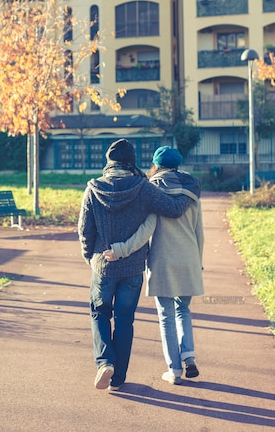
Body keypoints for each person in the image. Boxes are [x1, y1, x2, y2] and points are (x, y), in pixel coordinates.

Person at [78, 139, 194, 392]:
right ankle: (118, 378)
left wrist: (91, 259)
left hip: (103, 265)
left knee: (99, 313)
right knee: (124, 320)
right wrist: (191, 190)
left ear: (109, 163)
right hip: (132, 268)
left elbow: (85, 231)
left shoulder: (93, 188)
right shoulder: (143, 187)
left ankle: (105, 361)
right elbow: (173, 209)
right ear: (131, 162)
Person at [104, 146, 204, 386]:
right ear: (178, 164)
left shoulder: (152, 189)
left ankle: (174, 370)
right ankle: (188, 355)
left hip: (163, 260)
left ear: (156, 164)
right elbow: (199, 232)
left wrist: (120, 251)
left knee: (166, 315)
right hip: (189, 258)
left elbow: (146, 230)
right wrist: (198, 262)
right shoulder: (192, 190)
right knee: (184, 310)